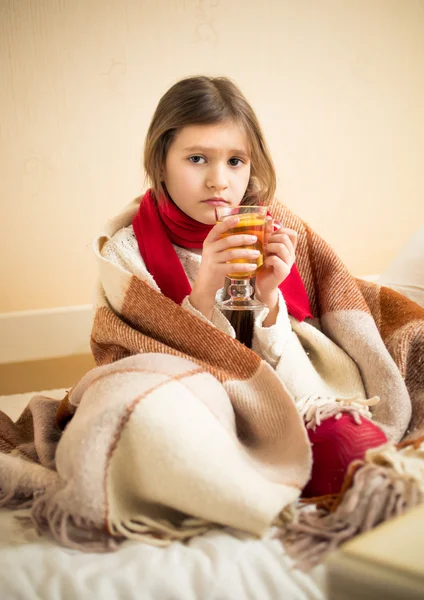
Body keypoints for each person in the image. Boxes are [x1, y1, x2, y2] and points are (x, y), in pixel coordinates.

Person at [97, 75, 403, 498]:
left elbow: (308, 375)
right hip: (193, 409)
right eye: (198, 159)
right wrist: (203, 291)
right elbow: (133, 366)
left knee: (354, 448)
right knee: (144, 441)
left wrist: (268, 297)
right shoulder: (124, 255)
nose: (219, 181)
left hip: (278, 401)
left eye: (235, 161)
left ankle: (261, 476)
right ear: (161, 161)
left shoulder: (274, 228)